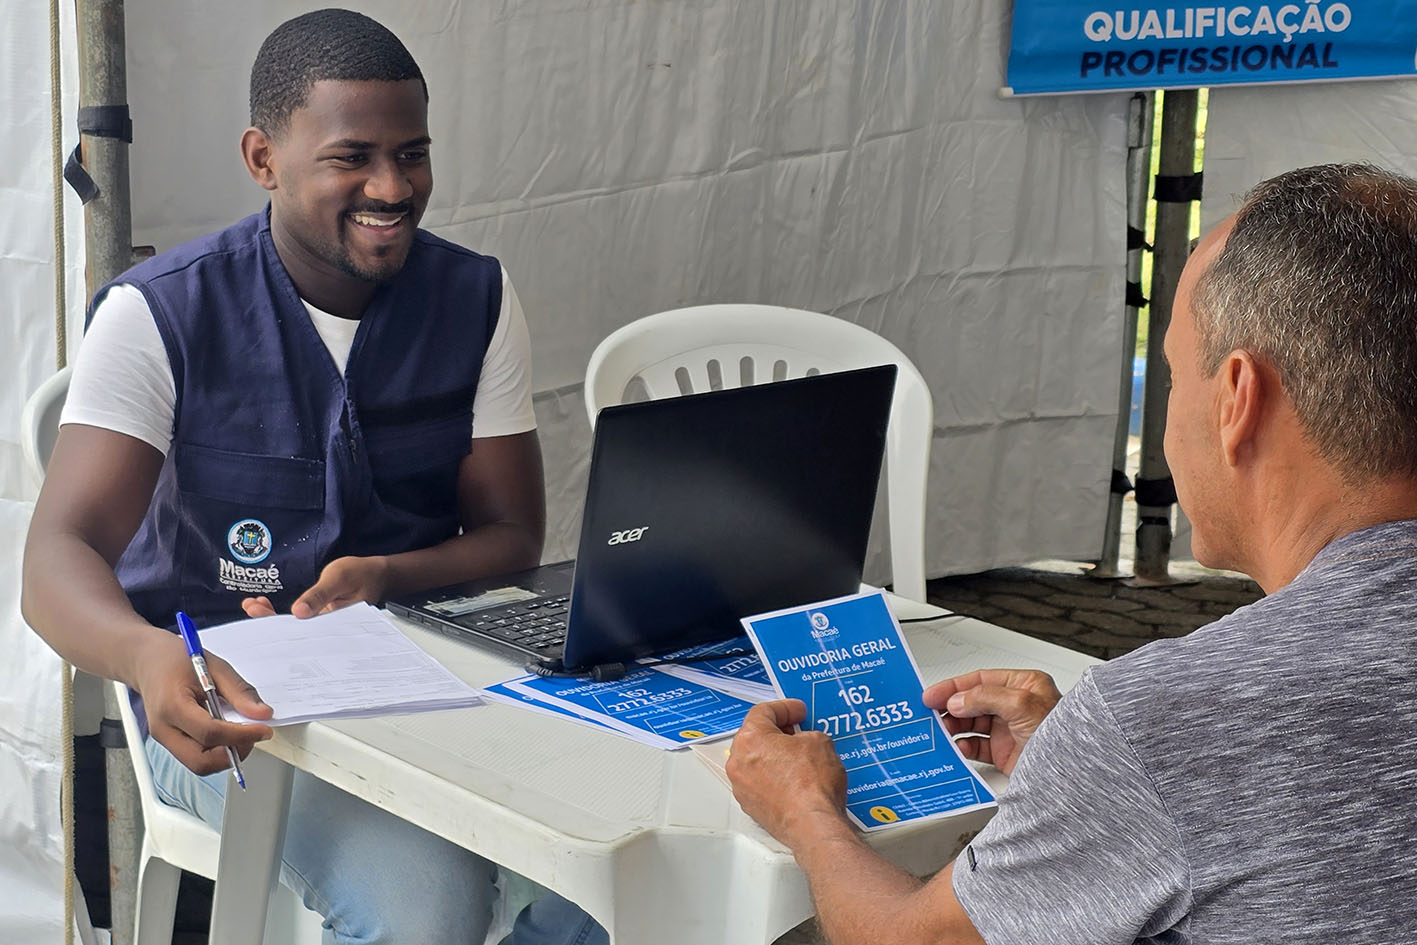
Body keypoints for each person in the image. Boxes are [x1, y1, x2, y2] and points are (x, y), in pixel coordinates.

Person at [23, 9, 604, 945]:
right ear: (263, 158)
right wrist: (149, 658)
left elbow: (511, 536)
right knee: (426, 912)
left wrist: (387, 574)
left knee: (614, 867)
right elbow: (57, 553)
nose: (392, 186)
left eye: (412, 153)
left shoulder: (477, 298)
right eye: (352, 157)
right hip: (226, 702)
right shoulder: (160, 314)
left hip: (431, 678)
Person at [726, 163, 1417, 944]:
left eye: (1169, 375)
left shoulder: (1168, 715)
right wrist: (1099, 791)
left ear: (1235, 400)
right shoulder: (1163, 737)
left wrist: (805, 811)